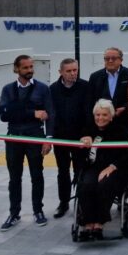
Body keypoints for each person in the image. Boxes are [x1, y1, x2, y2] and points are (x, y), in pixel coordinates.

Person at [0, 55, 55, 231]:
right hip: (14, 137)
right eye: (25, 67)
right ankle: (14, 213)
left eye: (31, 67)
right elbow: (4, 115)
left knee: (37, 175)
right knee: (14, 177)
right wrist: (33, 113)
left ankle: (38, 210)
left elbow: (50, 113)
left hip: (35, 136)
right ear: (16, 69)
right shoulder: (8, 89)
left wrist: (48, 139)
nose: (30, 70)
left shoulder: (42, 88)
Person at [77, 99, 128, 241]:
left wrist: (112, 167)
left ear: (111, 116)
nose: (100, 118)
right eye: (98, 115)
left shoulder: (120, 130)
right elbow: (80, 153)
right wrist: (83, 141)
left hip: (114, 168)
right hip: (93, 167)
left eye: (104, 115)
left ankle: (99, 223)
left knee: (104, 184)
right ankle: (88, 222)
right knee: (86, 185)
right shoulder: (88, 129)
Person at [49, 58, 89, 219]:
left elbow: (88, 113)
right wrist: (50, 137)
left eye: (75, 70)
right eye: (69, 71)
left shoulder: (85, 87)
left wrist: (86, 134)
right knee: (62, 171)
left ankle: (81, 201)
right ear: (60, 72)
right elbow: (51, 114)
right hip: (61, 139)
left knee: (80, 170)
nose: (73, 73)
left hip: (80, 139)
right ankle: (63, 202)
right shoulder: (53, 89)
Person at [88, 47, 128, 134]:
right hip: (101, 125)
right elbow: (90, 100)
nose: (110, 61)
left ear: (121, 60)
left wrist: (125, 107)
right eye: (107, 58)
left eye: (113, 58)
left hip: (123, 124)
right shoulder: (95, 77)